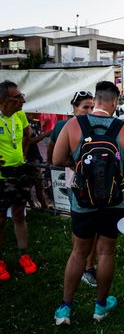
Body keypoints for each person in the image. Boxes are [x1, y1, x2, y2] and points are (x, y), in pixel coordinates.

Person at [52, 81, 124, 325]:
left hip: (83, 201)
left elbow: (56, 159)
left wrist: (79, 163)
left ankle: (65, 309)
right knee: (106, 251)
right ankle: (100, 307)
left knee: (79, 252)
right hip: (114, 202)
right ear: (114, 102)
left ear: (96, 100)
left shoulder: (73, 124)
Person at [48, 91, 98, 286]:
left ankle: (89, 266)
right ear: (74, 108)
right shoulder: (64, 126)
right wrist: (76, 163)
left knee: (94, 227)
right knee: (80, 227)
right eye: (85, 107)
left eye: (92, 107)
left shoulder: (96, 124)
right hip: (75, 184)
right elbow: (53, 149)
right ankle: (81, 264)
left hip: (96, 184)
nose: (90, 111)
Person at [0, 80, 37, 280]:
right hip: (2, 177)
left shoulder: (20, 115)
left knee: (19, 215)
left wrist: (22, 153)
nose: (23, 100)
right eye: (18, 97)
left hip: (19, 173)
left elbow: (27, 133)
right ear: (3, 101)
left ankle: (24, 255)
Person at [25, 113, 52, 209]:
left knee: (37, 185)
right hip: (30, 158)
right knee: (35, 185)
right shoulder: (23, 125)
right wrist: (45, 134)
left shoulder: (32, 123)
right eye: (30, 113)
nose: (33, 114)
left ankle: (40, 206)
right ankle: (41, 207)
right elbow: (29, 141)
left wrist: (43, 129)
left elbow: (35, 137)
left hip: (34, 157)